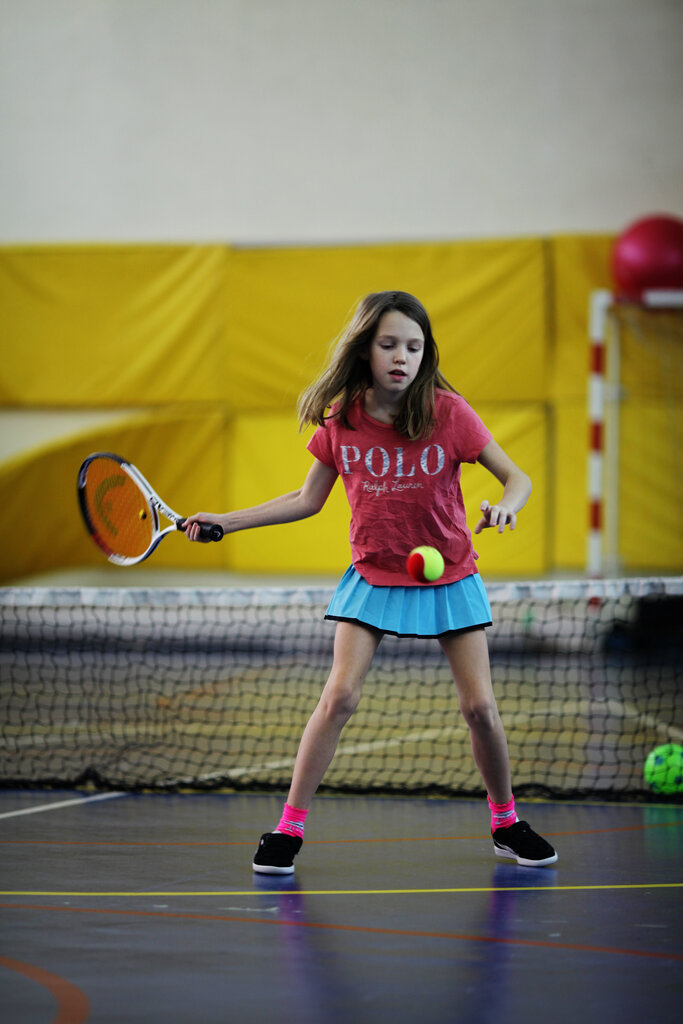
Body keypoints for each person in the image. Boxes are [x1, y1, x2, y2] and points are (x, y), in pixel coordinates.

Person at [184, 291, 558, 874]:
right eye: (389, 345)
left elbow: (518, 477)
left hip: (450, 572)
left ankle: (506, 822)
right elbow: (306, 499)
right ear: (366, 349)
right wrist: (225, 523)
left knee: (480, 707)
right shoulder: (343, 419)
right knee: (339, 698)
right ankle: (288, 828)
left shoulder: (449, 412)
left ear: (425, 353)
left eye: (414, 346)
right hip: (373, 574)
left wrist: (508, 505)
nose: (401, 357)